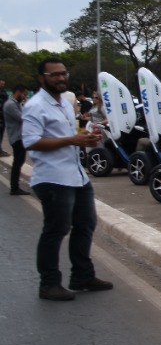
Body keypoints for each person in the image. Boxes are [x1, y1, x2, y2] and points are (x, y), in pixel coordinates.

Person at [23, 58, 112, 301]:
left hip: (76, 174)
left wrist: (85, 136)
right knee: (56, 229)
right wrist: (72, 141)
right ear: (41, 78)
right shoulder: (35, 106)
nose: (61, 78)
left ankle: (82, 275)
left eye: (63, 73)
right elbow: (30, 141)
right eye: (54, 75)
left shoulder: (64, 102)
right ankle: (49, 284)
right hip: (53, 177)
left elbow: (66, 133)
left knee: (86, 224)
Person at [5, 84, 28, 193]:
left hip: (19, 136)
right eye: (24, 94)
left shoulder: (15, 103)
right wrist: (27, 105)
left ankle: (15, 186)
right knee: (18, 162)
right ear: (18, 92)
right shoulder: (10, 104)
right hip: (17, 137)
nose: (24, 97)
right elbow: (22, 118)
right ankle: (14, 187)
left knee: (19, 161)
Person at [0, 78, 9, 156]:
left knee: (1, 133)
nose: (2, 85)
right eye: (1, 84)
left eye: (3, 84)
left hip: (2, 115)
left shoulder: (4, 91)